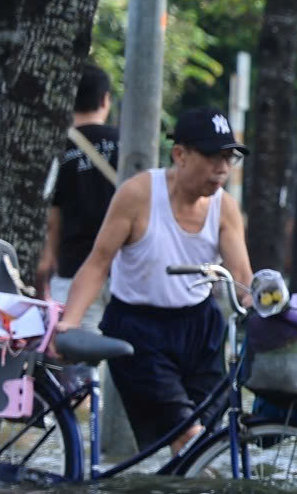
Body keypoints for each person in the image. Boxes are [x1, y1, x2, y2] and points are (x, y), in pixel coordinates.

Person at [54, 108, 254, 452]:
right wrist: (68, 323)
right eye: (211, 157)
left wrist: (274, 315)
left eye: (227, 158)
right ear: (181, 154)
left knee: (210, 438)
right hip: (139, 330)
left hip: (200, 328)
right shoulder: (139, 195)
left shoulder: (226, 209)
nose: (221, 169)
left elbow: (242, 280)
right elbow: (99, 262)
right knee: (188, 440)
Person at [39, 64, 121, 313]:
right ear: (105, 99)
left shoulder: (57, 150)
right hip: (124, 270)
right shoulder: (128, 143)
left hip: (74, 268)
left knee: (75, 345)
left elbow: (53, 218)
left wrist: (48, 258)